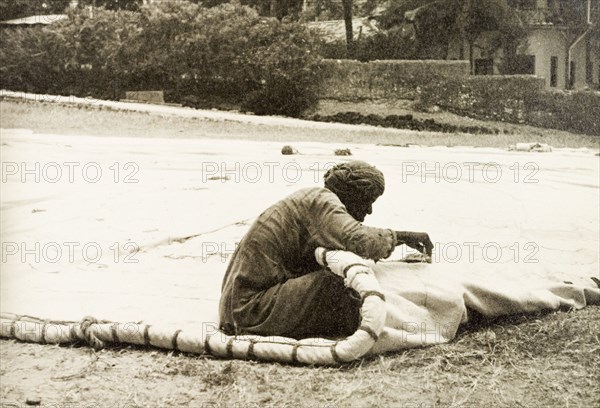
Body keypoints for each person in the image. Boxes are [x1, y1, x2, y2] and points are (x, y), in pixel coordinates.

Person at [218, 160, 433, 339]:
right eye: (367, 201)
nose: (369, 210)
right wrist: (403, 237)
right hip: (248, 312)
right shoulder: (323, 203)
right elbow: (361, 241)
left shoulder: (312, 199)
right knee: (338, 286)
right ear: (351, 194)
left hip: (236, 309)